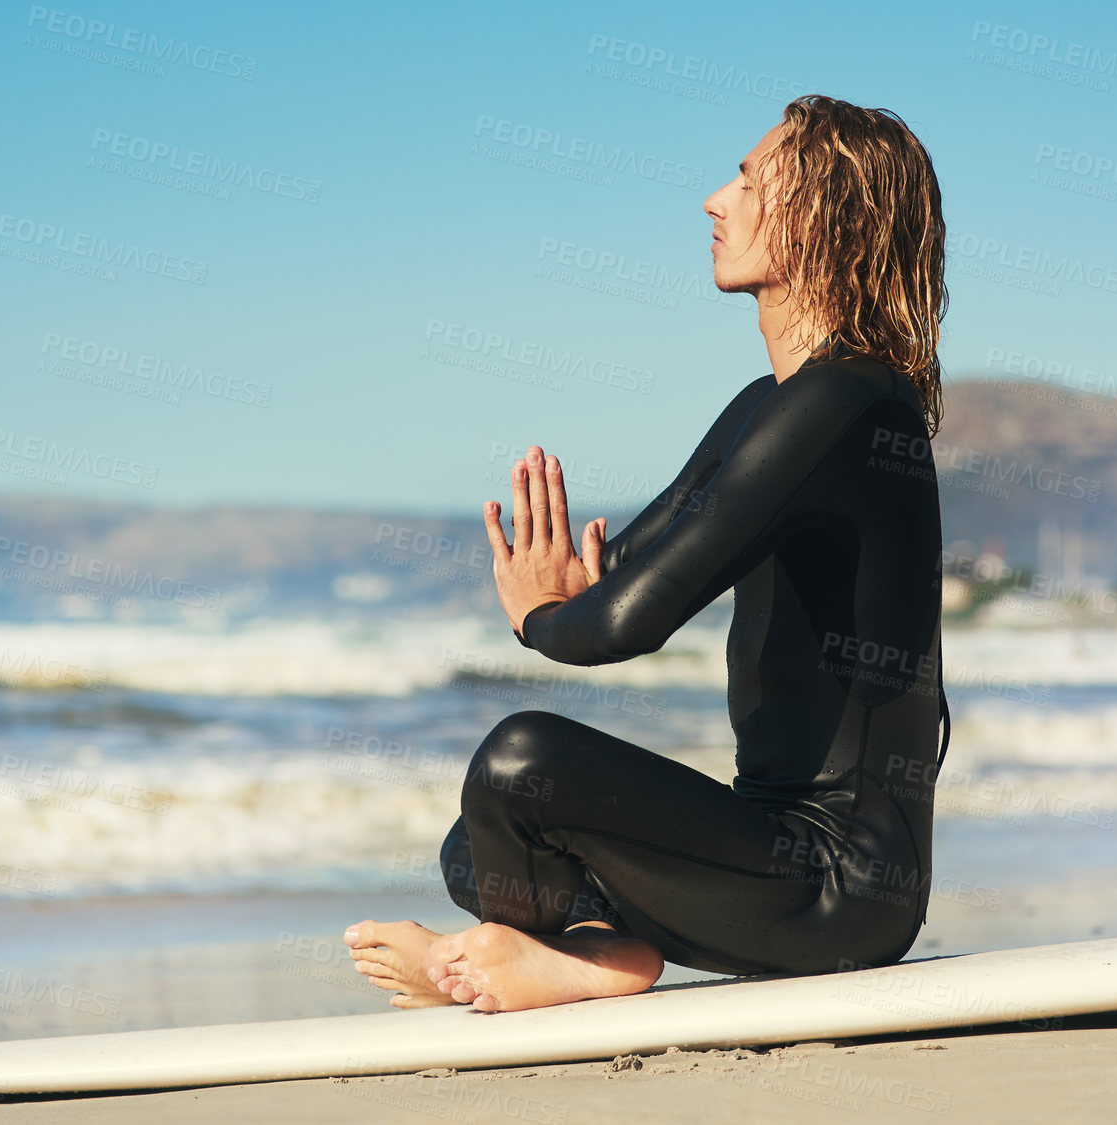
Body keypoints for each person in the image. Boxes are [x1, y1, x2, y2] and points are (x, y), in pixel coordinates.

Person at [345, 94, 951, 1013]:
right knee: (473, 840)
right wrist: (565, 592)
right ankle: (590, 954)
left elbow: (625, 621)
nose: (715, 198)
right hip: (765, 846)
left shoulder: (848, 406)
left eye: (748, 179)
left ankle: (541, 958)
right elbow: (627, 565)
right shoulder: (773, 402)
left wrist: (539, 618)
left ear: (824, 213)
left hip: (844, 887)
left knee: (517, 760)